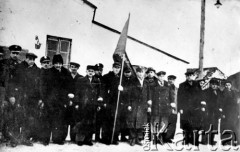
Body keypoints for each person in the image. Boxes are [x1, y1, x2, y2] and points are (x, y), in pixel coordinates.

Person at [74, 65, 102, 146]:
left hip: (93, 105)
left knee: (91, 123)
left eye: (92, 71)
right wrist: (76, 103)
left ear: (94, 72)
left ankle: (88, 140)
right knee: (82, 122)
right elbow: (77, 93)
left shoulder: (97, 81)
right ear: (86, 71)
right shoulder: (81, 80)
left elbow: (99, 94)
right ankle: (80, 140)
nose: (90, 72)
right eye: (89, 71)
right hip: (83, 104)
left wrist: (99, 104)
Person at [46, 54, 70, 145]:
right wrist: (46, 99)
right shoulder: (48, 72)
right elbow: (44, 87)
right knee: (48, 119)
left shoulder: (66, 72)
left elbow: (69, 86)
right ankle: (46, 139)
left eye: (60, 63)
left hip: (61, 101)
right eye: (56, 63)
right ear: (53, 64)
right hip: (50, 100)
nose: (58, 65)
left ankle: (57, 139)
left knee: (59, 121)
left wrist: (67, 99)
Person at [101, 62, 122, 145]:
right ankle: (106, 138)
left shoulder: (121, 78)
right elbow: (103, 90)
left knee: (116, 120)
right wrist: (104, 101)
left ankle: (114, 138)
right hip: (108, 102)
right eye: (115, 67)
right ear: (112, 68)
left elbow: (127, 90)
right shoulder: (106, 77)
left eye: (118, 68)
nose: (117, 69)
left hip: (117, 102)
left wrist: (122, 89)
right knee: (107, 120)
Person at [127, 67, 148, 146]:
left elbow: (148, 94)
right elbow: (128, 94)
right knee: (132, 121)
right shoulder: (132, 81)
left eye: (141, 72)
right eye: (138, 72)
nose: (140, 73)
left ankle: (139, 139)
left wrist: (148, 105)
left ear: (144, 73)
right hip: (134, 104)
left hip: (143, 105)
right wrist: (129, 104)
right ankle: (132, 138)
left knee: (141, 122)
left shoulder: (146, 82)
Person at [177, 71, 198, 145]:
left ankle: (193, 140)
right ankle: (186, 140)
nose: (189, 77)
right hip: (185, 108)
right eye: (188, 76)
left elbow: (200, 95)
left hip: (195, 108)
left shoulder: (197, 84)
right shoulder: (182, 85)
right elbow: (179, 97)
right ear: (186, 77)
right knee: (185, 124)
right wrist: (180, 108)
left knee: (194, 124)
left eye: (191, 75)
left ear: (193, 76)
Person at [66, 62, 83, 142]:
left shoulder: (81, 78)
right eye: (72, 67)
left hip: (76, 102)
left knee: (74, 120)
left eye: (75, 67)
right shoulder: (66, 76)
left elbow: (81, 93)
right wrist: (67, 98)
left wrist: (76, 101)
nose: (73, 68)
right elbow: (63, 89)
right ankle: (63, 137)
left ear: (78, 68)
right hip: (66, 101)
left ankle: (73, 138)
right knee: (65, 120)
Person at [220, 80, 239, 146]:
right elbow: (221, 104)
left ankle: (235, 141)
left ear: (231, 85)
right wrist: (222, 113)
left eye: (229, 85)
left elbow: (237, 103)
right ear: (224, 86)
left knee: (234, 126)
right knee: (226, 126)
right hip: (226, 112)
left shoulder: (234, 92)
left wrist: (238, 113)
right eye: (226, 85)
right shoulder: (222, 93)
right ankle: (225, 141)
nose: (227, 86)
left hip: (234, 112)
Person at [204, 78, 222, 145]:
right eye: (212, 84)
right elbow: (205, 101)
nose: (214, 86)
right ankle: (205, 140)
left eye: (215, 84)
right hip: (209, 111)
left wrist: (220, 108)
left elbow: (221, 101)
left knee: (214, 126)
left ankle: (212, 140)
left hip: (216, 112)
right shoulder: (206, 91)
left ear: (217, 85)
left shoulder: (219, 92)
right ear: (210, 84)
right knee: (207, 126)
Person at [38, 56, 51, 145]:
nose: (46, 64)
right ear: (41, 63)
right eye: (44, 63)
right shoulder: (38, 72)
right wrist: (40, 99)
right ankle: (37, 137)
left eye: (47, 62)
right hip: (39, 99)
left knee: (47, 120)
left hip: (48, 100)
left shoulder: (51, 73)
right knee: (38, 119)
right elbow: (37, 87)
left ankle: (45, 139)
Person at [94, 63, 105, 142]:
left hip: (101, 102)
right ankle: (89, 137)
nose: (99, 72)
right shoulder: (92, 78)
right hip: (93, 102)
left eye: (100, 70)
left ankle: (98, 137)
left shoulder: (104, 79)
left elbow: (104, 91)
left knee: (99, 120)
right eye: (97, 70)